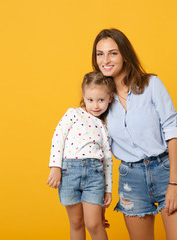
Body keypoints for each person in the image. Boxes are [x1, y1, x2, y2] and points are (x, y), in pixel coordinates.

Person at [92, 28, 177, 240]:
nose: (106, 60)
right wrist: (98, 200)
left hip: (166, 170)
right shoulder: (99, 99)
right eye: (100, 54)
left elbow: (172, 130)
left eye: (113, 53)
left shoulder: (151, 85)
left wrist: (174, 182)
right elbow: (98, 151)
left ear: (125, 55)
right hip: (131, 180)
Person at [47, 71, 115, 240]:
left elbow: (107, 160)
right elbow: (58, 137)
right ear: (84, 97)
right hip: (69, 173)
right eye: (90, 100)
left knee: (94, 223)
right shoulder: (73, 114)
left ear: (110, 98)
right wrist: (55, 167)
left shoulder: (104, 125)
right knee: (76, 222)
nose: (96, 105)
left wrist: (108, 189)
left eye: (101, 100)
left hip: (95, 176)